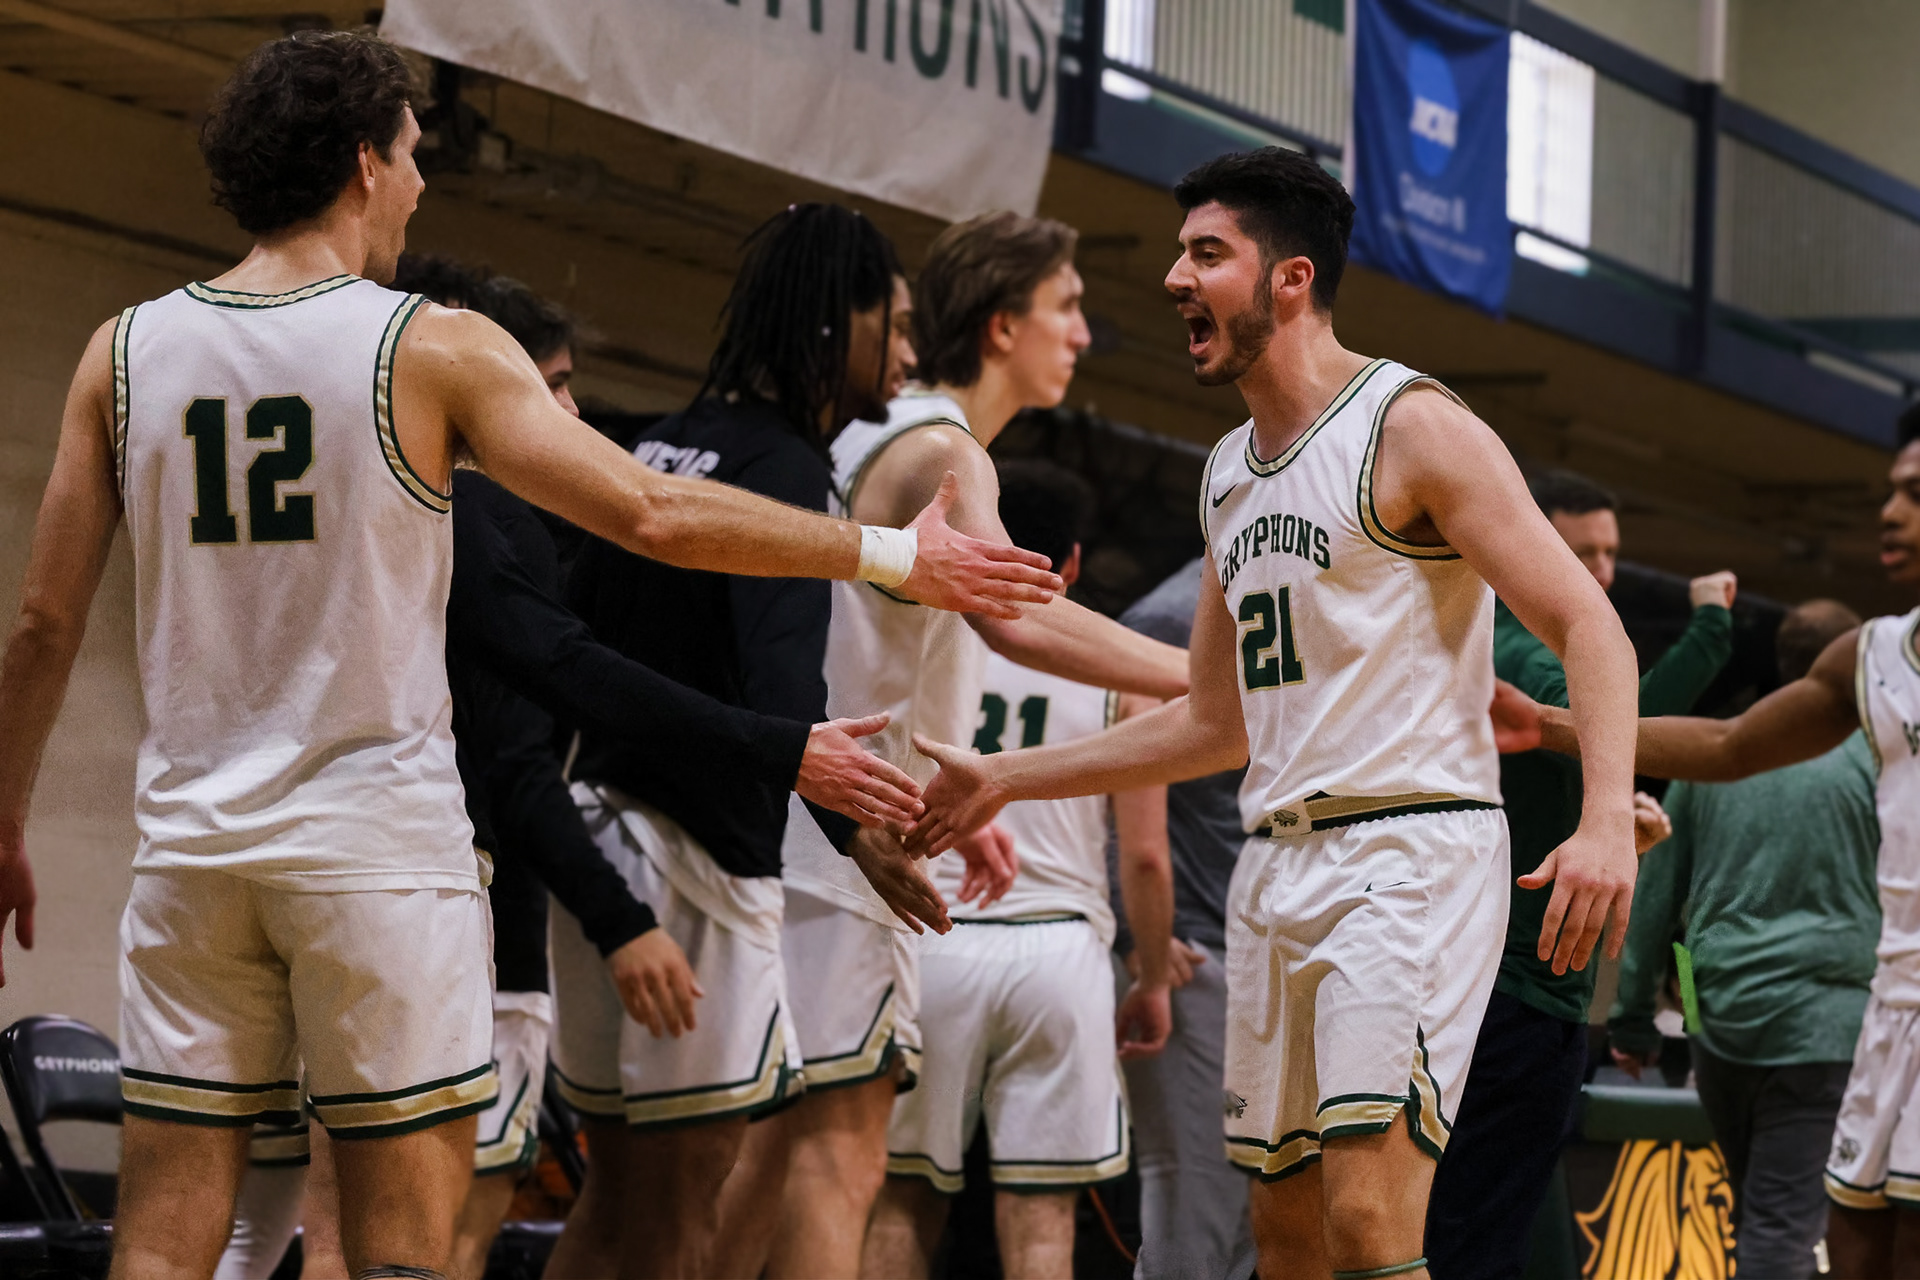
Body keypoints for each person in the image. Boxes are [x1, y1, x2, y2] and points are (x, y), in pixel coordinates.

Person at [0, 32, 1055, 1280]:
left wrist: (9, 817)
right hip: (376, 859)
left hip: (190, 851)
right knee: (402, 1248)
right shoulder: (428, 343)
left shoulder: (121, 352)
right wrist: (888, 554)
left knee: (168, 1243)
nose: (420, 183)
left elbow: (43, 624)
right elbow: (648, 514)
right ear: (360, 165)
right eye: (410, 154)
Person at [907, 147, 1642, 1280]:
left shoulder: (1412, 425)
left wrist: (1600, 820)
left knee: (1366, 1216)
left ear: (1290, 280)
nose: (1172, 278)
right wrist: (1011, 776)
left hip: (1410, 852)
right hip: (1277, 866)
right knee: (1283, 1236)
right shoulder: (1227, 474)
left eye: (1207, 253)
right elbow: (1216, 719)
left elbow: (1592, 627)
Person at [716, 208, 1193, 1280]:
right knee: (834, 1159)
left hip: (801, 812)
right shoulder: (943, 447)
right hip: (840, 842)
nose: (1080, 334)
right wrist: (1203, 679)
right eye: (1066, 308)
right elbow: (1013, 613)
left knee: (764, 1157)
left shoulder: (857, 432)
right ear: (999, 324)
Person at [543, 202, 980, 1279]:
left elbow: (570, 641)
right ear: (840, 324)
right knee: (683, 1211)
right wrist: (856, 829)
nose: (914, 351)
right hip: (694, 865)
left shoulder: (651, 440)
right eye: (899, 320)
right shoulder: (787, 469)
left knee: (607, 1203)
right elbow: (785, 679)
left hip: (592, 836)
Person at [1511, 403, 1920, 1278]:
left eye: (1916, 495)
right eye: (1891, 492)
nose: (1891, 513)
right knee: (1849, 1249)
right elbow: (1729, 749)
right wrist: (1545, 723)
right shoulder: (1875, 654)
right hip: (1878, 1008)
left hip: (1813, 1012)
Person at [859, 460, 1170, 1279]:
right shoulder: (1121, 672)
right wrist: (1154, 975)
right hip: (1059, 954)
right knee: (1038, 1224)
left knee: (901, 1204)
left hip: (934, 937)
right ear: (1067, 565)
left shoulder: (930, 630)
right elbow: (1142, 854)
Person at [1423, 468, 1737, 1280]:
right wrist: (1709, 628)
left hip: (1508, 980)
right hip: (1507, 989)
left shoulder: (1504, 640)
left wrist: (1610, 824)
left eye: (1609, 553)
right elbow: (1627, 725)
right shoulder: (1513, 642)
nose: (1599, 570)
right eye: (1580, 549)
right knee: (1470, 1239)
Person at [1608, 599, 1879, 1280]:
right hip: (1828, 1030)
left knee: (1761, 1214)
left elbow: (1655, 897)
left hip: (1719, 1023)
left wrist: (1634, 1017)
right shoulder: (1876, 761)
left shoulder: (1722, 758)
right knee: (1784, 1230)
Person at [1109, 557, 1257, 1280]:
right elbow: (1128, 805)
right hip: (1193, 953)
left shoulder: (1285, 593)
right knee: (1195, 1207)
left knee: (1254, 1217)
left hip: (1259, 950)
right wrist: (1144, 934)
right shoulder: (1169, 623)